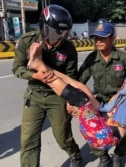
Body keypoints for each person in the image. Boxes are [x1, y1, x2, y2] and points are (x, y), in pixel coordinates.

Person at [12, 5, 83, 167]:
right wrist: (33, 75)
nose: (58, 37)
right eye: (54, 32)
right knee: (28, 139)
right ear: (44, 27)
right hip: (34, 95)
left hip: (57, 96)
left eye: (63, 33)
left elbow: (72, 77)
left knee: (62, 136)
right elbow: (17, 68)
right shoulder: (28, 41)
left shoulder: (69, 49)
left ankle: (75, 154)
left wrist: (71, 100)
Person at [77, 20, 126, 167]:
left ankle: (118, 155)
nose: (98, 41)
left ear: (112, 38)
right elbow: (80, 80)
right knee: (90, 128)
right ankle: (103, 156)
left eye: (103, 37)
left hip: (121, 99)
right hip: (99, 100)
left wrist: (120, 96)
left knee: (124, 128)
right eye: (96, 38)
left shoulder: (123, 58)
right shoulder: (91, 58)